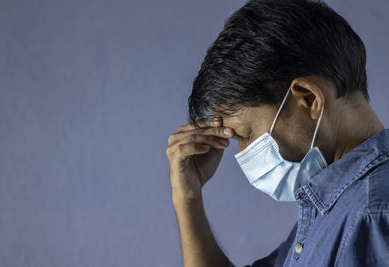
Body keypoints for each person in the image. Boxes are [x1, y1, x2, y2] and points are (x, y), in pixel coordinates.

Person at [165, 0, 389, 266]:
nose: (242, 153)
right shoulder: (331, 209)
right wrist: (188, 197)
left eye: (245, 135)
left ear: (308, 99)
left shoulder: (371, 214)